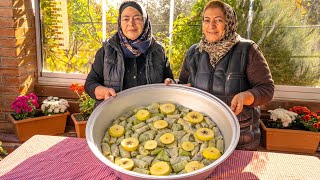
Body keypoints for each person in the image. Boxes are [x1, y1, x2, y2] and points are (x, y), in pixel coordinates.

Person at [178, 0, 274, 150]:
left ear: (229, 23)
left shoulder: (247, 50)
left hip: (240, 136)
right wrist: (175, 87)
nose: (211, 26)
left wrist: (245, 96)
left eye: (218, 20)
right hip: (202, 136)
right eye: (207, 20)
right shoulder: (193, 52)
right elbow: (183, 86)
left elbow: (267, 89)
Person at [85, 1, 174, 107]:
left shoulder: (158, 51)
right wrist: (103, 91)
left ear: (145, 21)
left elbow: (168, 79)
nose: (131, 24)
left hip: (151, 115)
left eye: (137, 18)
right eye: (126, 19)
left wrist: (169, 83)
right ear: (120, 22)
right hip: (114, 113)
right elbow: (90, 83)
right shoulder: (107, 50)